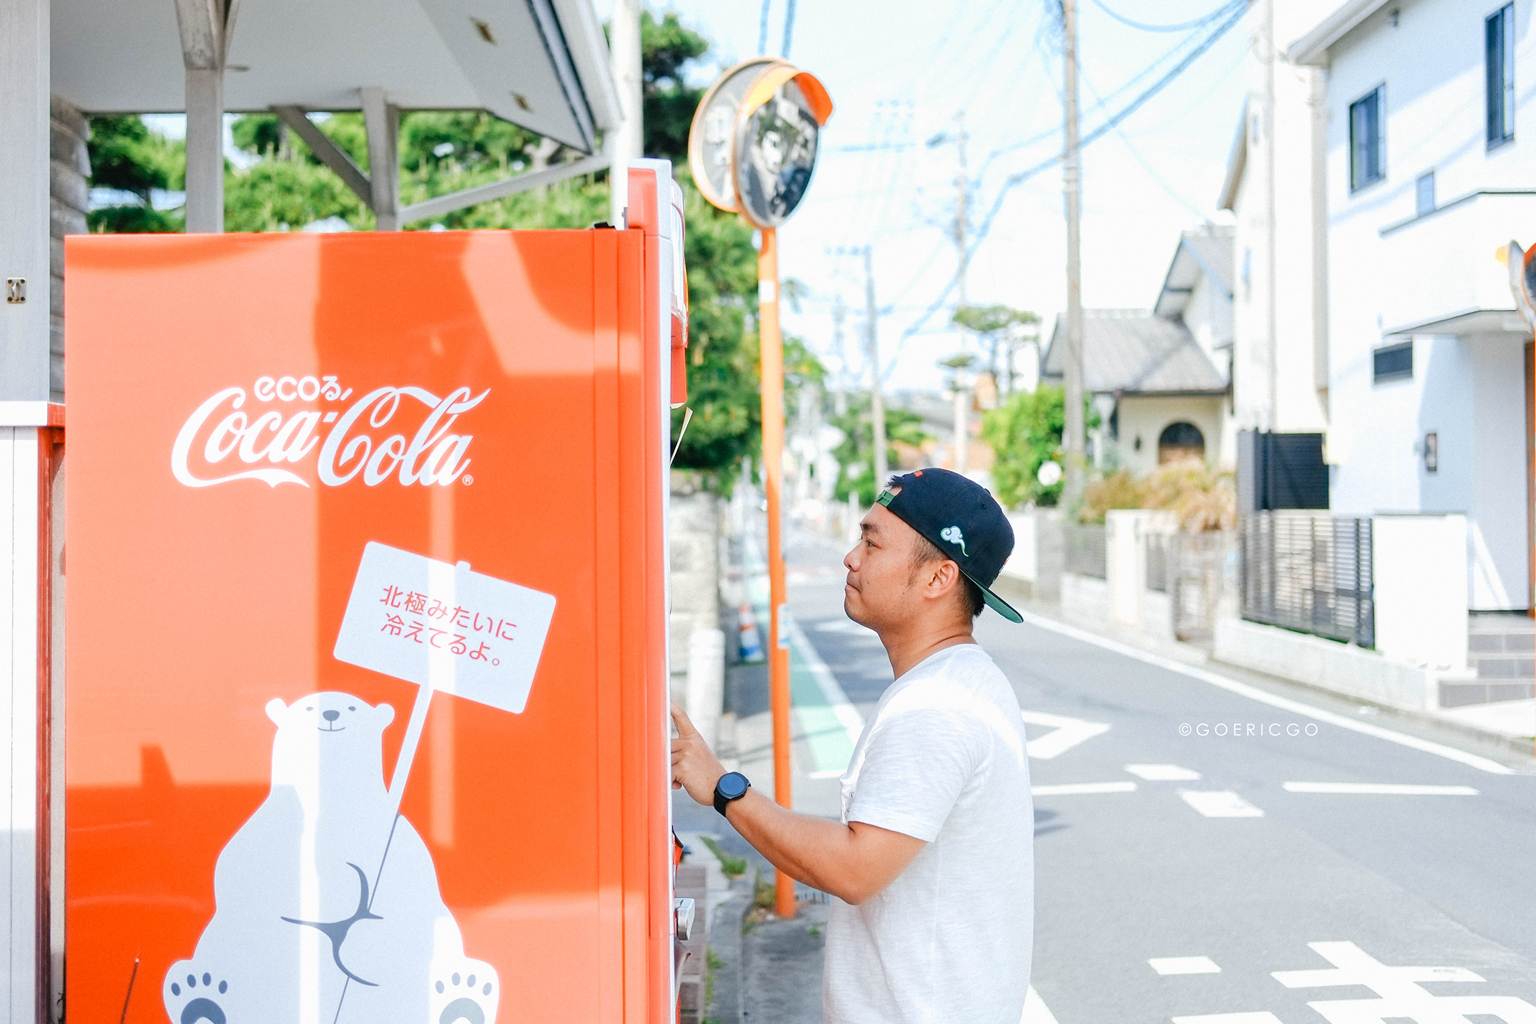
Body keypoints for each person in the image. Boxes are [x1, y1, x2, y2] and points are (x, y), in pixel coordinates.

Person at [670, 468, 1033, 1024]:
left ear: (939, 577)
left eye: (872, 541)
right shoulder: (962, 682)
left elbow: (855, 869)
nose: (850, 557)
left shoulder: (936, 707)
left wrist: (725, 790)